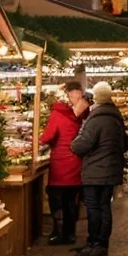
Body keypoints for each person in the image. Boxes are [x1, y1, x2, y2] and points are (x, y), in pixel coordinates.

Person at [70, 80, 128, 256]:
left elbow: (81, 145)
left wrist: (75, 143)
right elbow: (125, 144)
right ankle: (101, 243)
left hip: (95, 171)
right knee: (104, 207)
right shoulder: (115, 117)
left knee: (94, 208)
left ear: (95, 98)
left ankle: (95, 243)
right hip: (110, 170)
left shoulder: (96, 119)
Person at [39, 80, 87, 245]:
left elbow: (47, 137)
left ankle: (58, 233)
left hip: (60, 163)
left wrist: (38, 141)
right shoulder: (79, 115)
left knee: (56, 199)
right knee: (71, 199)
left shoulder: (57, 114)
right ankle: (70, 233)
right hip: (76, 162)